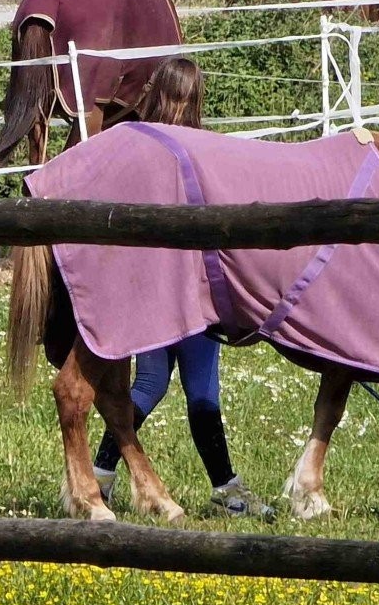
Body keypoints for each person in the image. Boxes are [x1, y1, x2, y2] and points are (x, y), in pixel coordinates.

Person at [92, 57, 274, 517]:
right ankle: (222, 489)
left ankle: (107, 476)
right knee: (177, 388)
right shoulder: (186, 147)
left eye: (182, 98)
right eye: (181, 97)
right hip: (178, 287)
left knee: (173, 387)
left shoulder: (143, 144)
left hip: (172, 287)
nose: (181, 107)